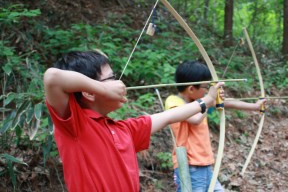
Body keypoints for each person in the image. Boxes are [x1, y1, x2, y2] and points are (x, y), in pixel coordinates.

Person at [43, 50, 224, 192]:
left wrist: (207, 101)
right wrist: (104, 89)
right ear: (89, 91)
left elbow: (168, 116)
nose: (120, 84)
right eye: (112, 79)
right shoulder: (75, 126)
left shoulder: (124, 129)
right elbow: (52, 78)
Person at [164, 60, 267, 192]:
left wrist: (254, 106)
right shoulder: (174, 102)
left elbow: (228, 103)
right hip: (190, 166)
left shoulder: (199, 102)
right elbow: (195, 119)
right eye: (205, 87)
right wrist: (209, 100)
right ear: (191, 89)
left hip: (205, 165)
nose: (207, 91)